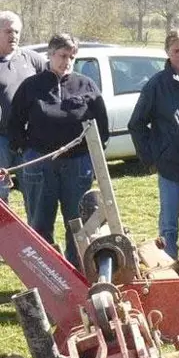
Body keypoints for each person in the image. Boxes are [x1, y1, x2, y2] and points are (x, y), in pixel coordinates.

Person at [8, 33, 108, 268]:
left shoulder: (86, 85)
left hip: (77, 165)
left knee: (78, 224)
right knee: (40, 223)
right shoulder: (31, 86)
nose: (67, 61)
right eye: (63, 56)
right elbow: (14, 123)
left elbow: (101, 127)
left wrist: (90, 158)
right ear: (50, 55)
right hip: (40, 163)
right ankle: (47, 275)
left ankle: (78, 274)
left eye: (72, 56)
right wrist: (24, 150)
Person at [128, 29, 179, 260]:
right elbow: (136, 124)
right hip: (169, 168)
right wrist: (151, 158)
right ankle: (168, 268)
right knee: (169, 226)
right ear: (168, 52)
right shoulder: (156, 85)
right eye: (177, 50)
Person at [0, 11, 47, 202]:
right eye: (8, 31)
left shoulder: (33, 59)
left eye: (17, 32)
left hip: (30, 140)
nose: (14, 36)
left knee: (34, 193)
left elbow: (50, 88)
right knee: (1, 195)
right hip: (1, 140)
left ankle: (34, 231)